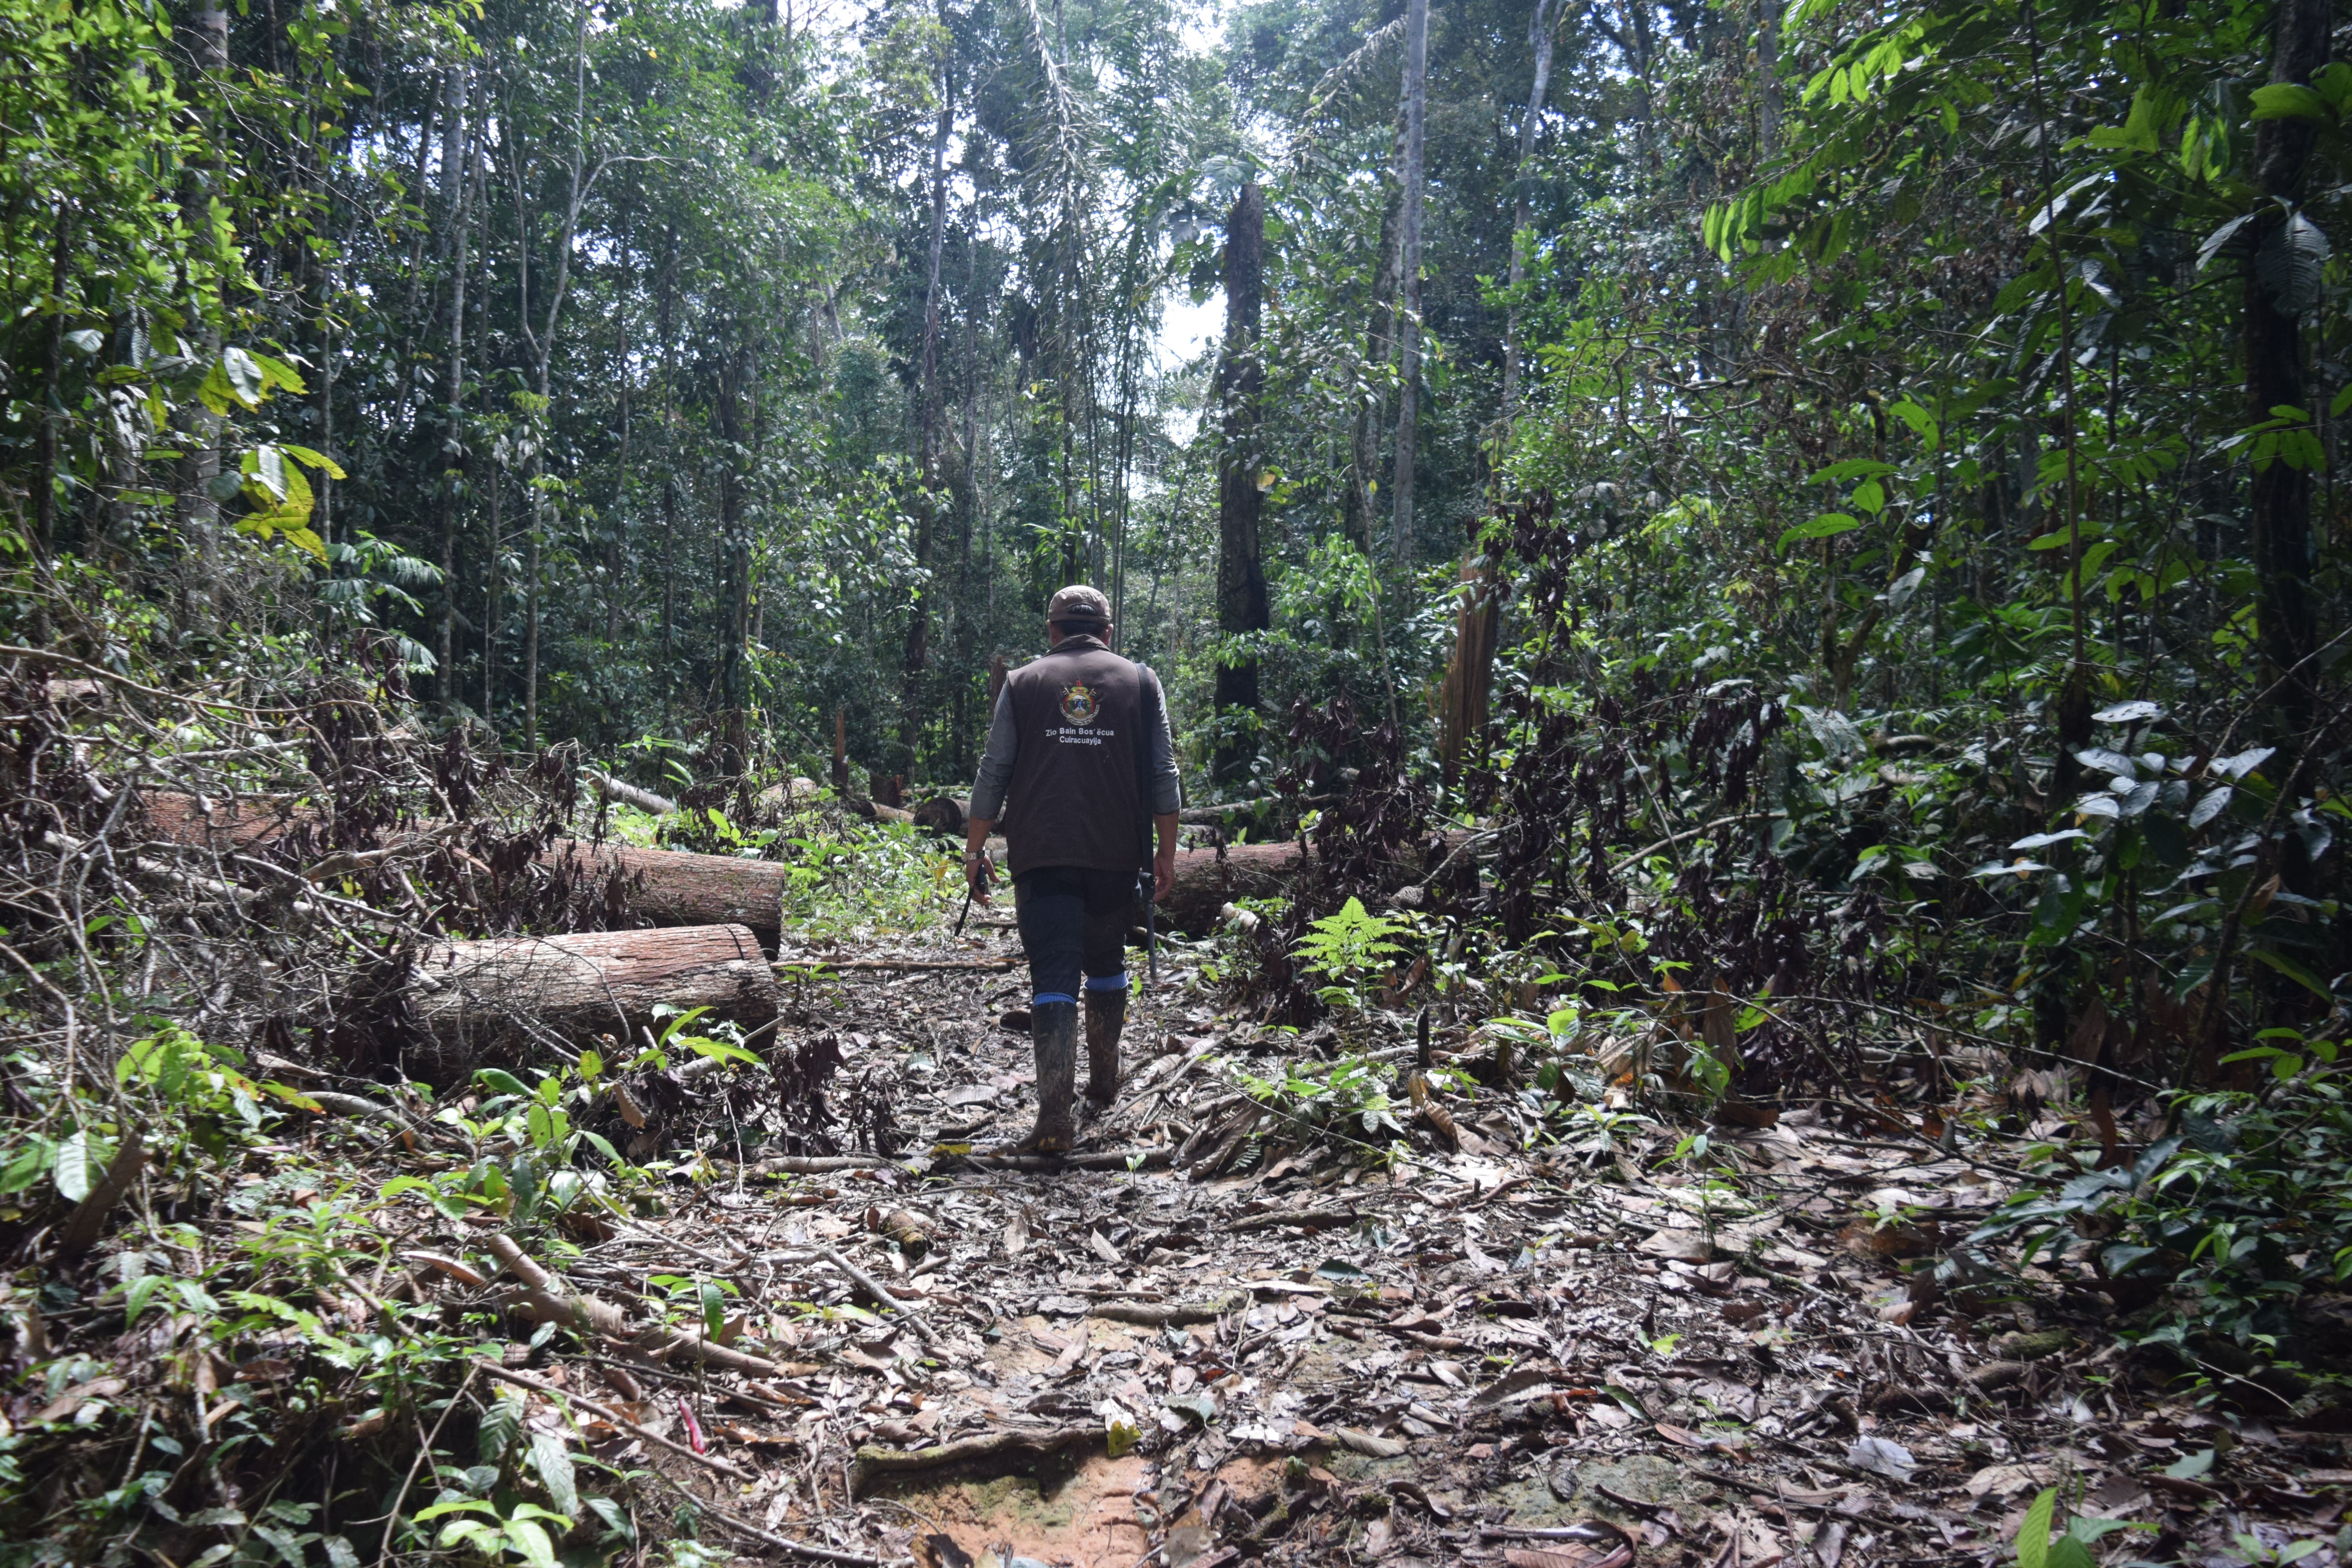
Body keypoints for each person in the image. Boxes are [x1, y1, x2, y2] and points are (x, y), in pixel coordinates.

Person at [964, 585, 1180, 1154]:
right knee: (1106, 959)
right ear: (1107, 632)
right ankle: (1105, 1085)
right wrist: (1166, 851)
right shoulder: (1141, 681)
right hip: (1116, 855)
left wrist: (975, 848)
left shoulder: (1023, 683)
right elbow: (1164, 774)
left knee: (1054, 975)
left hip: (1043, 855)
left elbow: (994, 772)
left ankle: (1055, 1115)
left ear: (1052, 629)